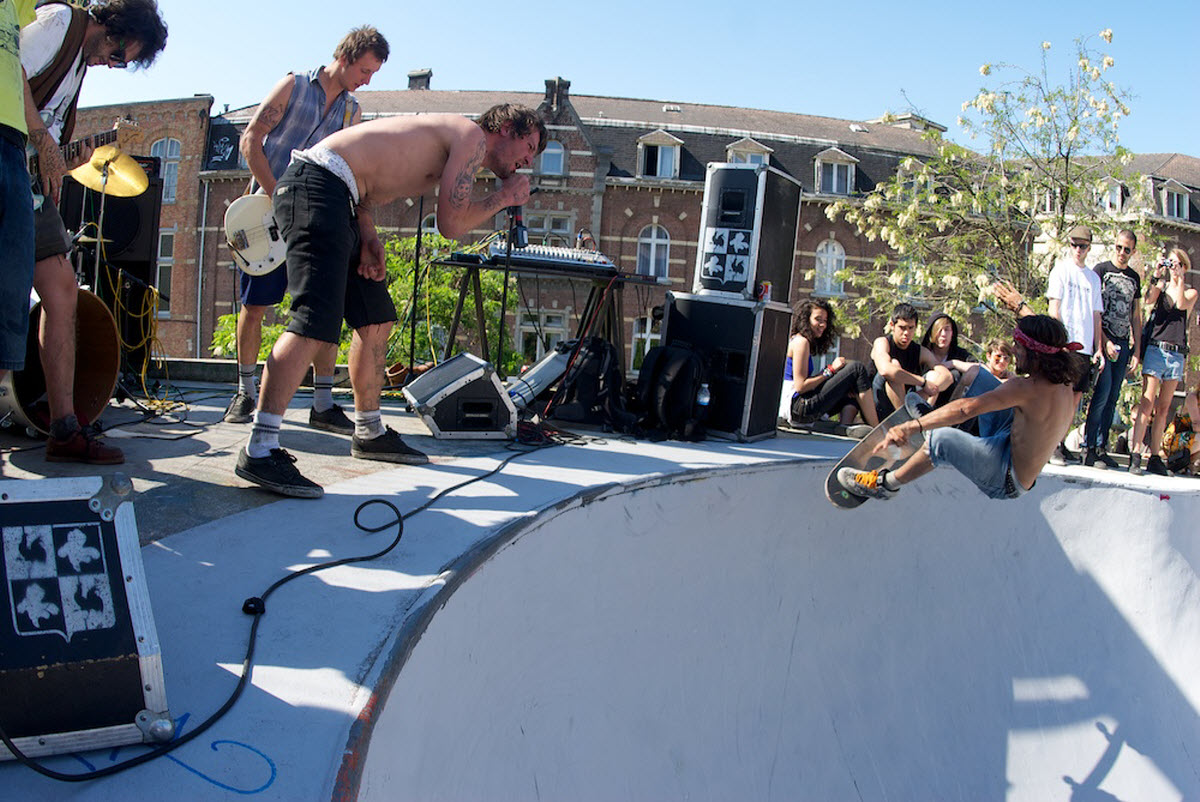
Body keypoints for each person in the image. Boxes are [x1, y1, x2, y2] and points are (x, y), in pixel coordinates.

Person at [235, 104, 547, 498]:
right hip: (316, 186)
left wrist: (368, 235)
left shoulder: (457, 144)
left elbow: (364, 183)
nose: (528, 161)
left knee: (376, 318)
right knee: (314, 319)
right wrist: (503, 197)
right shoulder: (470, 137)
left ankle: (369, 432)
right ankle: (260, 448)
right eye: (529, 146)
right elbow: (451, 225)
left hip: (343, 199)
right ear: (506, 127)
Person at [21, 0, 167, 463]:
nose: (113, 63)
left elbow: (49, 153)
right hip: (7, 167)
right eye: (118, 52)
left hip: (32, 189)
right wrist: (42, 139)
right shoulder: (61, 21)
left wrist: (67, 157)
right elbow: (9, 72)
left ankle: (64, 427)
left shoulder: (79, 68)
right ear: (112, 23)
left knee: (63, 290)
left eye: (122, 62)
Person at [224, 26, 389, 433]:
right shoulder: (294, 86)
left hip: (314, 220)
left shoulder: (352, 113)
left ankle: (322, 404)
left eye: (373, 73)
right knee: (255, 306)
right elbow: (251, 140)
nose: (367, 81)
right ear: (345, 58)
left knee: (323, 308)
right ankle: (245, 392)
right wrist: (279, 196)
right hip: (267, 215)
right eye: (365, 70)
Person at [837, 315, 1086, 502]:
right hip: (1012, 441)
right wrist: (1019, 307)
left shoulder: (1025, 388)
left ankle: (884, 485)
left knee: (940, 440)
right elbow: (1050, 339)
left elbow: (968, 409)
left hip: (1006, 476)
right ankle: (939, 419)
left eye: (1018, 347)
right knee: (978, 374)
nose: (1014, 352)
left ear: (1035, 353)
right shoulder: (1065, 383)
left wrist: (912, 426)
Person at [996, 225, 1104, 465]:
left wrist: (1098, 347)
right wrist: (1057, 340)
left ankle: (1060, 441)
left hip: (1084, 346)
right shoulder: (1061, 270)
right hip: (1065, 342)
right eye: (1074, 245)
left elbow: (1096, 315)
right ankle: (1051, 445)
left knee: (1074, 399)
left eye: (1082, 246)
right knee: (1058, 393)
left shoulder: (1093, 279)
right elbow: (1055, 307)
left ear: (1089, 247)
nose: (1078, 250)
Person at [1126, 248, 1197, 476]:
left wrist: (1179, 278)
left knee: (1164, 408)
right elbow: (1148, 300)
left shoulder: (1190, 291)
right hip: (1157, 349)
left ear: (1185, 267)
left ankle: (1155, 455)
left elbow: (1181, 304)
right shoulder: (1162, 287)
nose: (1173, 267)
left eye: (1178, 264)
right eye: (1171, 263)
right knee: (1147, 403)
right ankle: (1136, 453)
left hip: (1176, 354)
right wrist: (1157, 275)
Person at [0, 0, 38, 395]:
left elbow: (22, 70)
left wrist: (41, 136)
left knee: (11, 300)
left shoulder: (16, 5)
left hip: (14, 145)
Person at [1082, 229, 1142, 469]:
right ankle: (1088, 446)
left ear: (1133, 252)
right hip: (1103, 340)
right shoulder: (1101, 271)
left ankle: (1101, 446)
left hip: (1123, 342)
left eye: (1127, 249)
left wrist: (1137, 349)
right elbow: (1095, 312)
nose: (1122, 253)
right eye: (1119, 247)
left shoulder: (1134, 278)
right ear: (1114, 246)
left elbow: (1136, 315)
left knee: (1114, 396)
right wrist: (1103, 341)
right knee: (1102, 393)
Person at [780, 298, 879, 432]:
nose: (822, 325)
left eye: (825, 321)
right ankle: (877, 430)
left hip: (799, 408)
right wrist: (830, 370)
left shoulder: (798, 341)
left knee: (851, 391)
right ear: (806, 319)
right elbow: (800, 386)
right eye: (818, 319)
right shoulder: (801, 342)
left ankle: (844, 429)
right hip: (799, 408)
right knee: (857, 368)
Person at [870, 302, 952, 419]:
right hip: (878, 402)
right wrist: (922, 383)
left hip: (907, 401)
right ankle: (905, 419)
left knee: (934, 376)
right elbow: (885, 370)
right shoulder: (882, 343)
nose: (906, 333)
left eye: (910, 328)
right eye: (902, 328)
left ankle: (919, 417)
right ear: (892, 325)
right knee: (894, 365)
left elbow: (947, 376)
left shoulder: (920, 351)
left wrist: (930, 389)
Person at [918, 312, 976, 407]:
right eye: (939, 330)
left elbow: (979, 368)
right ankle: (924, 409)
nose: (943, 334)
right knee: (933, 375)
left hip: (950, 405)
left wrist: (954, 363)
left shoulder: (959, 354)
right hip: (921, 398)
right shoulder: (922, 352)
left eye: (947, 329)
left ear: (952, 333)